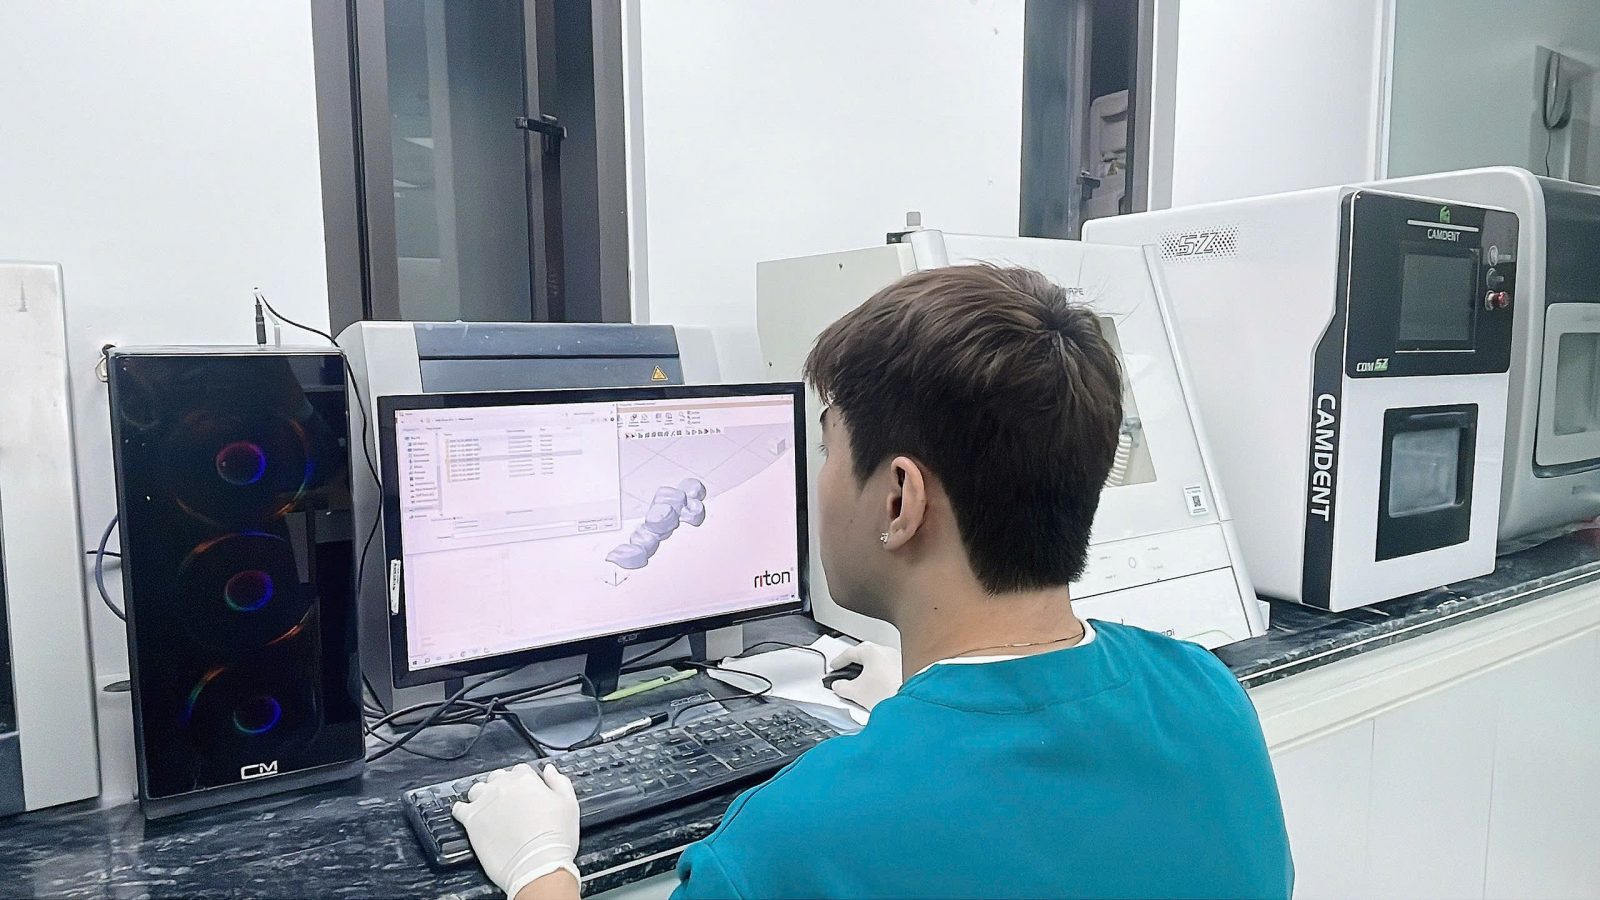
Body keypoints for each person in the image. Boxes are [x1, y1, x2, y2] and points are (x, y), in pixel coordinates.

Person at [450, 264, 1294, 900]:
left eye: (827, 447)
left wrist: (540, 870)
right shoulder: (1210, 695)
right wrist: (925, 706)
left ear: (899, 500)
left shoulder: (793, 846)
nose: (816, 478)